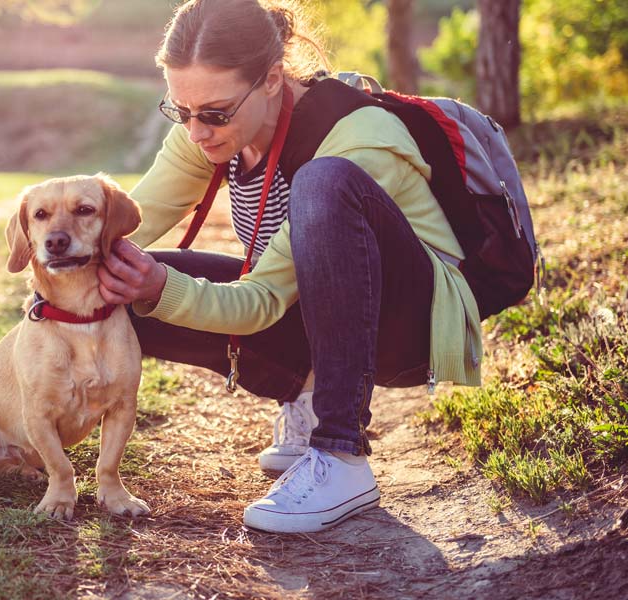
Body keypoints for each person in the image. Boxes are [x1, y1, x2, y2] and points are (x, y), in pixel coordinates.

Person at [97, 0, 482, 534]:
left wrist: (164, 288)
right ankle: (306, 391)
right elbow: (119, 233)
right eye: (180, 111)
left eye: (214, 113)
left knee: (324, 181)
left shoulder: (358, 137)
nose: (196, 131)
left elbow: (260, 302)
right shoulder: (212, 127)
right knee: (113, 284)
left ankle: (341, 453)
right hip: (312, 311)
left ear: (273, 79)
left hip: (408, 327)